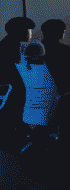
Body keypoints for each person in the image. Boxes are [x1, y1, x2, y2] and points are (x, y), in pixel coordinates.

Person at [0, 17, 36, 145]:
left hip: (9, 89)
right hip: (11, 90)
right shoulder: (14, 50)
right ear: (23, 33)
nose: (30, 35)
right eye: (29, 31)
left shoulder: (7, 43)